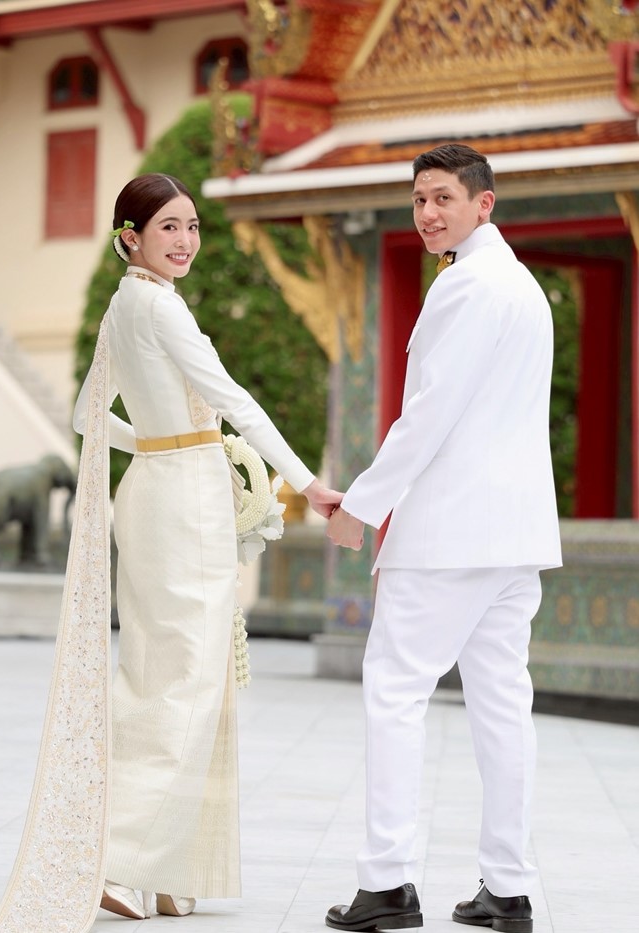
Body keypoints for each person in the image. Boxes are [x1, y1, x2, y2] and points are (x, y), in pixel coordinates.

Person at [69, 172, 342, 922]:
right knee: (187, 679)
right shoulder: (160, 307)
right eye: (169, 227)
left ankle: (161, 868)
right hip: (185, 497)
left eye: (192, 226)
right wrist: (307, 483)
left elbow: (87, 416)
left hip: (149, 490)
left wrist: (155, 444)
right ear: (131, 238)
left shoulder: (123, 305)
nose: (186, 240)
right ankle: (121, 860)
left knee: (156, 671)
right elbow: (233, 399)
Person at [324, 144, 561, 933]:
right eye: (420, 199)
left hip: (452, 533)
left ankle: (388, 882)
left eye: (443, 198)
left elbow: (429, 414)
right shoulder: (522, 286)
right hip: (515, 535)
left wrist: (362, 505)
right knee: (503, 705)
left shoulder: (466, 285)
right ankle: (509, 888)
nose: (428, 213)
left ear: (483, 202)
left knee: (395, 693)